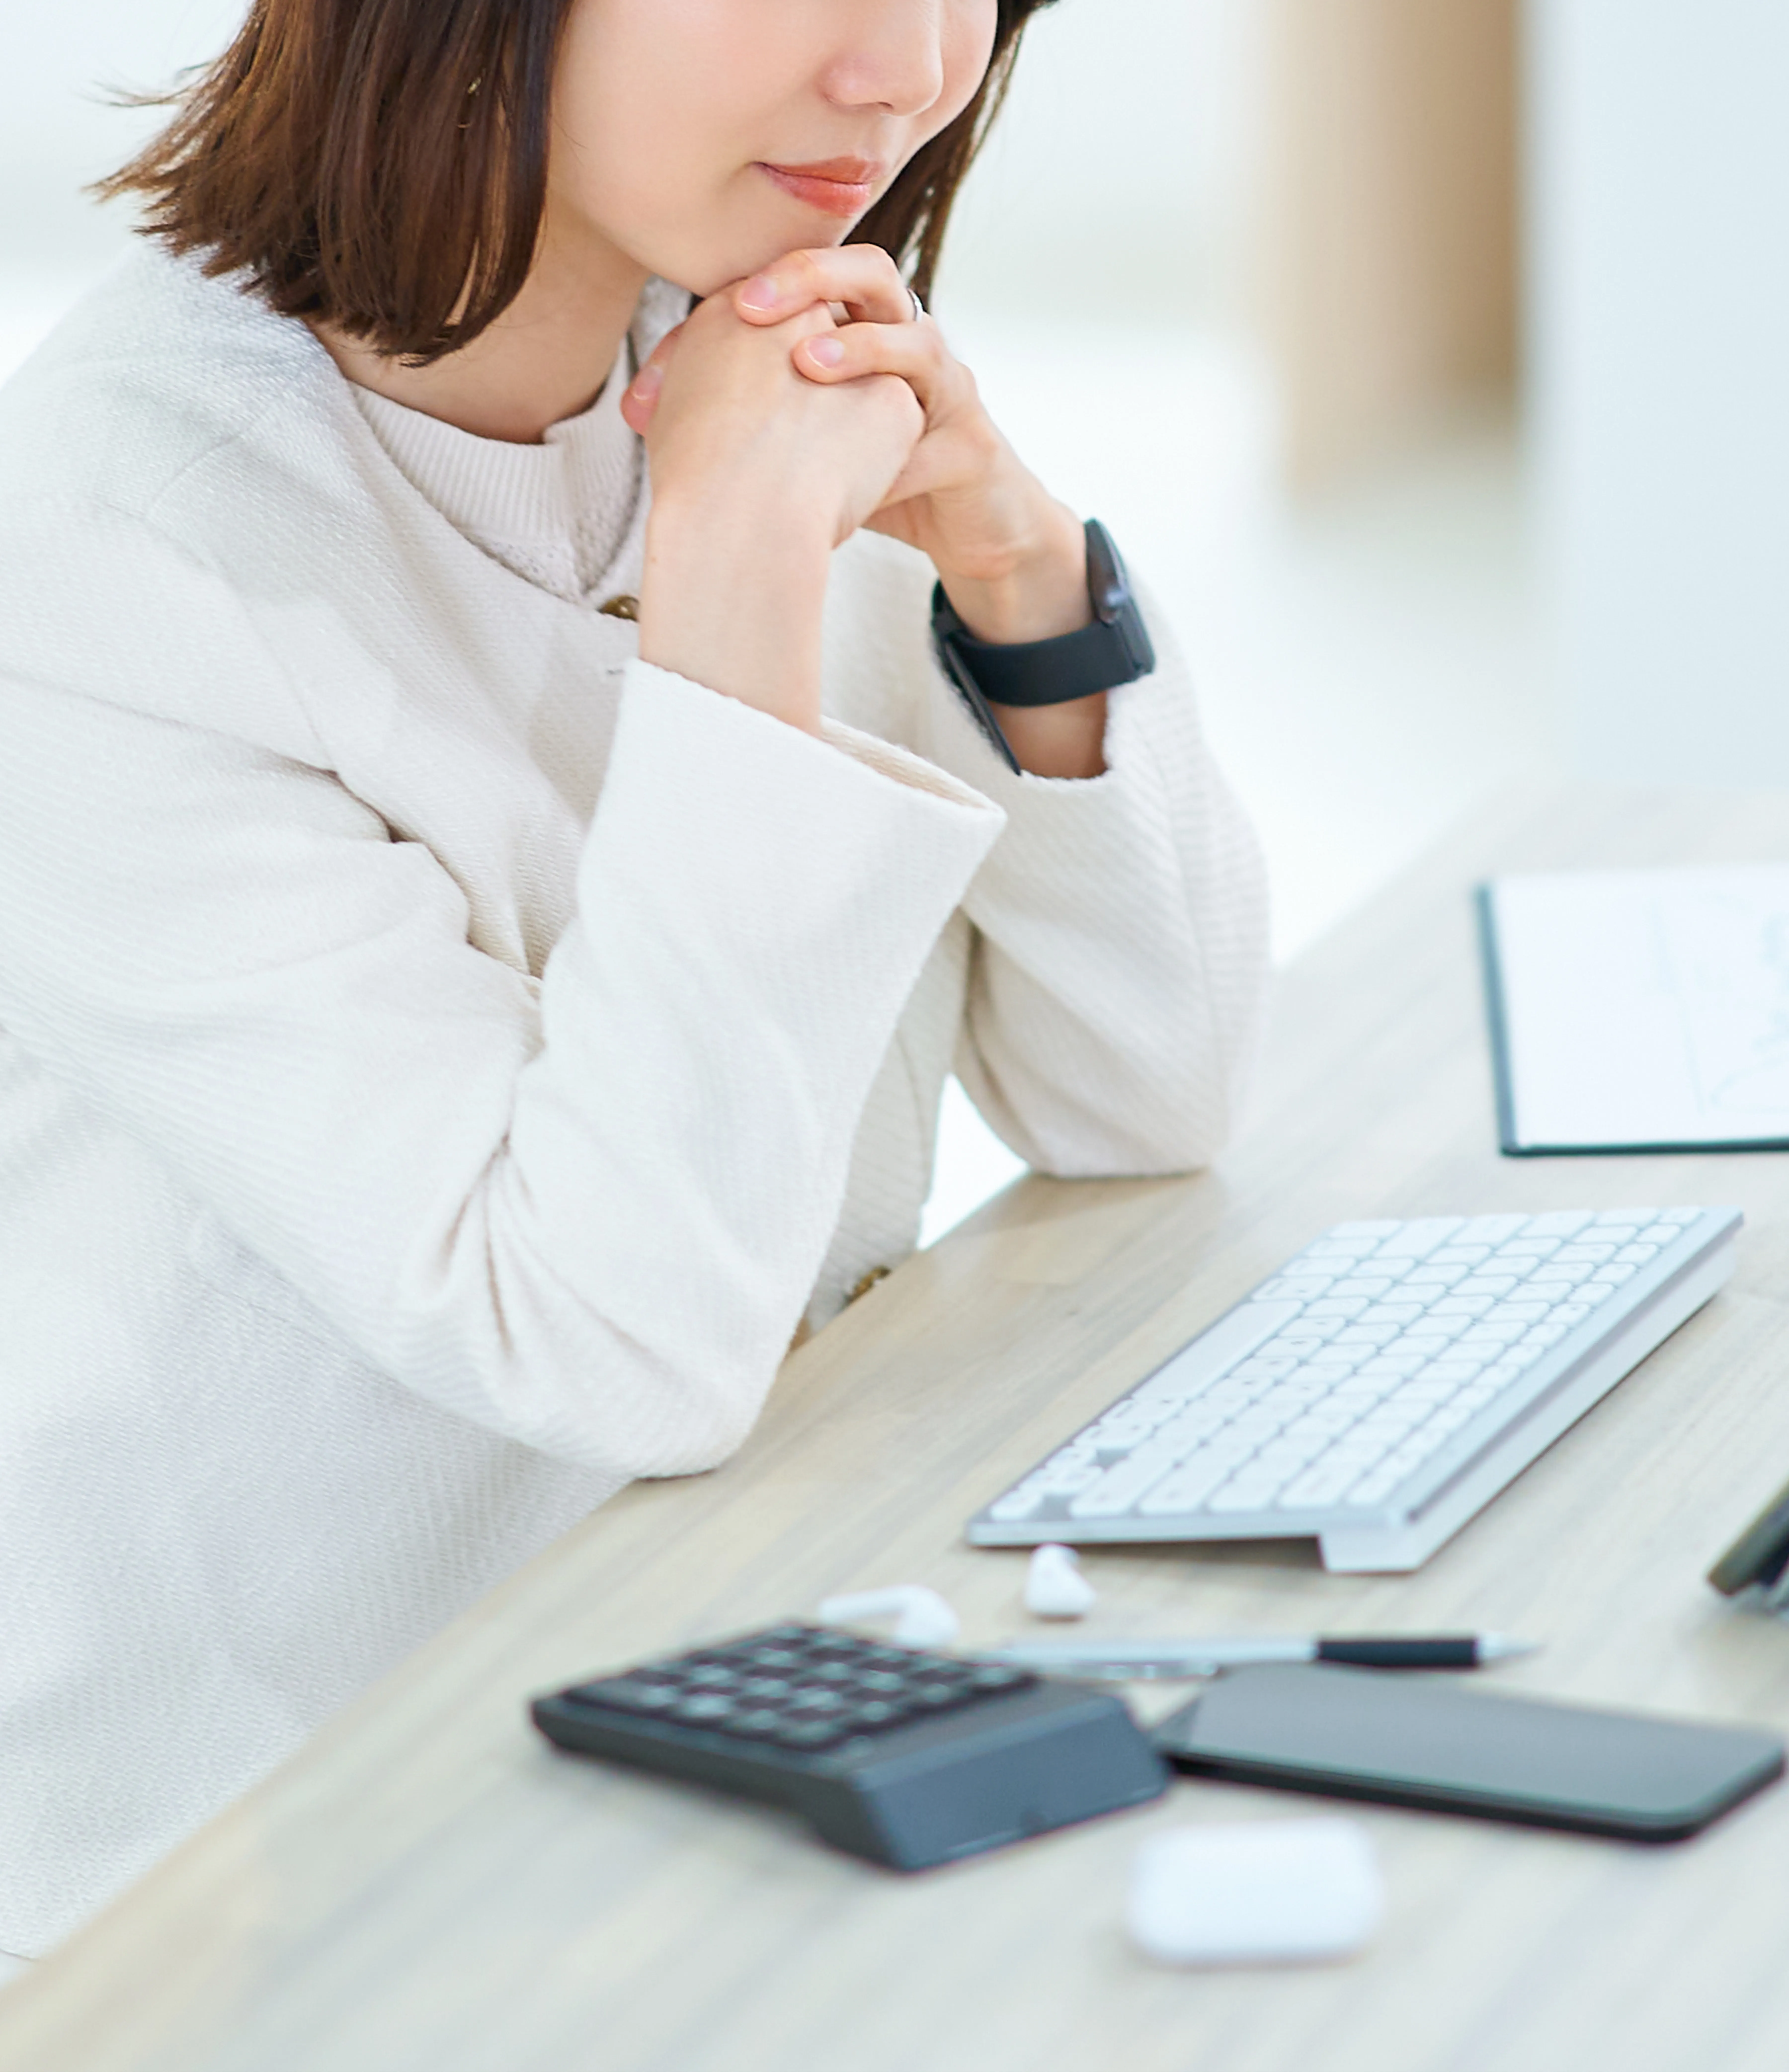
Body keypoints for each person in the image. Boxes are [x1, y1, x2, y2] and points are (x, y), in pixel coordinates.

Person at [0, 0, 1268, 1957]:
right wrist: (738, 585)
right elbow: (613, 1346)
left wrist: (1016, 561)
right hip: (280, 1876)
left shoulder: (727, 349)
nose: (908, 71)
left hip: (752, 1652)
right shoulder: (113, 554)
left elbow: (1150, 1088)